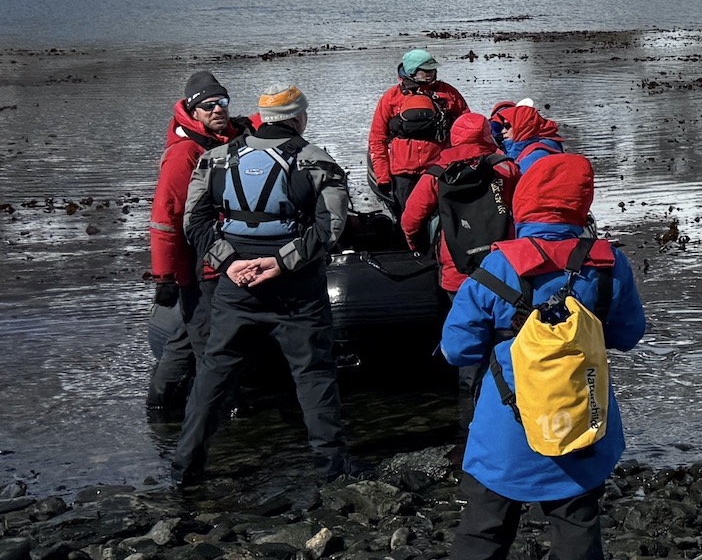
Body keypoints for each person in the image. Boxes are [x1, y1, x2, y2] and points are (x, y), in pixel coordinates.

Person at [411, 150, 646, 560]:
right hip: (579, 425)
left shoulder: (498, 264)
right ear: (581, 203)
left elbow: (457, 347)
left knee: (480, 544)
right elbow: (627, 334)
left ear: (525, 202)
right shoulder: (607, 262)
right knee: (578, 550)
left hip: (506, 430)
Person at [170, 83, 356, 486]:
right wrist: (280, 263)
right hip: (297, 290)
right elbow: (331, 228)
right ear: (297, 117)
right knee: (314, 375)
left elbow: (194, 223)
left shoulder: (216, 160)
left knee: (214, 375)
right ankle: (332, 469)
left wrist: (230, 264)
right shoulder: (317, 162)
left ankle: (185, 467)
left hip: (237, 287)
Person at [400, 113, 518, 425]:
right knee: (507, 341)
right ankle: (511, 413)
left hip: (458, 272)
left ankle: (473, 423)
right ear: (486, 136)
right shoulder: (506, 169)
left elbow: (410, 218)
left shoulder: (437, 172)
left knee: (468, 342)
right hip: (504, 270)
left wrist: (416, 246)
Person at [145, 69, 244, 418]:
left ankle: (161, 408)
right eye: (209, 106)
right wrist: (164, 277)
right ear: (194, 111)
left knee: (187, 339)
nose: (218, 109)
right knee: (209, 345)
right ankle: (215, 416)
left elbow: (268, 120)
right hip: (198, 266)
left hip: (221, 260)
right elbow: (165, 216)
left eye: (223, 102)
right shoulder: (184, 153)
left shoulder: (228, 138)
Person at [368, 49, 468, 219]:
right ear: (412, 71)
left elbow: (467, 129)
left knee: (442, 218)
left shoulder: (449, 93)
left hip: (439, 169)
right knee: (407, 218)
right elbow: (377, 139)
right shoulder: (391, 98)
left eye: (433, 70)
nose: (431, 74)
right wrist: (383, 176)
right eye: (426, 71)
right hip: (404, 173)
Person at [488, 99, 565, 172]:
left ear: (521, 125)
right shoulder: (528, 145)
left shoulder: (538, 156)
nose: (503, 131)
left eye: (507, 126)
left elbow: (518, 180)